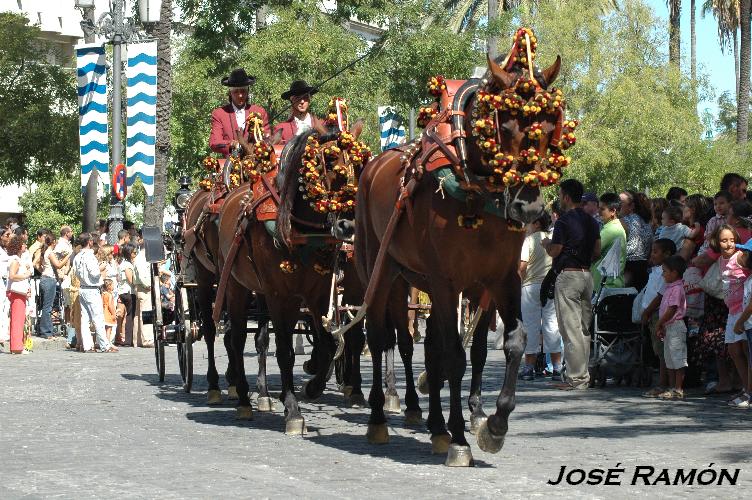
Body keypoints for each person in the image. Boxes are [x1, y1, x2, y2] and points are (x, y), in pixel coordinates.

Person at [543, 179, 601, 390]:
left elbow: (556, 250)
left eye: (560, 195)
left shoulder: (563, 222)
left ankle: (576, 379)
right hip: (587, 276)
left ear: (566, 197)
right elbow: (597, 251)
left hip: (568, 276)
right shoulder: (592, 222)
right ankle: (582, 375)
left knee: (571, 329)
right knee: (583, 329)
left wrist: (546, 244)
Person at [519, 211, 562, 381]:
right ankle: (557, 367)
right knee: (552, 325)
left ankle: (529, 367)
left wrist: (520, 280)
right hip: (551, 285)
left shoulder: (529, 240)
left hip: (531, 286)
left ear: (536, 223)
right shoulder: (552, 238)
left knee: (531, 326)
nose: (527, 226)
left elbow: (522, 266)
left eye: (529, 223)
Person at [640, 239, 677, 397]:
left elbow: (660, 295)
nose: (652, 255)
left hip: (658, 314)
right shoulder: (656, 270)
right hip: (652, 314)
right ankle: (665, 383)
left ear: (667, 254)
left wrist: (647, 311)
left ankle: (664, 384)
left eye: (656, 251)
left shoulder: (666, 273)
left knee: (662, 351)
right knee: (658, 350)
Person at [719, 226, 751, 407]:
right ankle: (746, 388)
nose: (729, 244)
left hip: (743, 310)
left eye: (732, 239)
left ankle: (749, 391)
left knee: (746, 350)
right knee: (733, 351)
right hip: (732, 311)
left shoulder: (741, 257)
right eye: (724, 240)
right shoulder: (722, 260)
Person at [209, 68, 270, 158]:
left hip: (256, 162)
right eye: (236, 92)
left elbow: (267, 138)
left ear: (248, 91)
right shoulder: (219, 114)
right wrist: (232, 144)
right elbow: (214, 143)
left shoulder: (260, 112)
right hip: (231, 165)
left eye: (243, 91)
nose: (240, 95)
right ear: (230, 92)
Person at [72, 233, 116, 353]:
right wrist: (100, 268)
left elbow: (75, 272)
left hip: (82, 288)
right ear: (90, 242)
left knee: (85, 319)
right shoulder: (90, 256)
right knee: (98, 318)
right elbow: (94, 273)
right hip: (92, 288)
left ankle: (87, 345)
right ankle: (104, 345)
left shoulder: (77, 256)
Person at [654, 255, 688, 400]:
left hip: (675, 326)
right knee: (670, 358)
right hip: (668, 326)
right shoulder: (670, 287)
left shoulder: (677, 288)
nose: (663, 274)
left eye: (665, 271)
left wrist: (659, 322)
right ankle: (672, 387)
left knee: (678, 358)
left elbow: (672, 309)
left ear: (674, 273)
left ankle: (678, 388)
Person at [591, 192, 626, 293]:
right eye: (599, 208)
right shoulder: (613, 226)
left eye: (602, 209)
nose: (598, 211)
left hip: (607, 286)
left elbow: (593, 252)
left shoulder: (611, 229)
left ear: (613, 211)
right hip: (607, 285)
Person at [619, 190, 653, 290]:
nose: (616, 205)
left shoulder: (624, 221)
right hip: (643, 269)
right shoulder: (645, 222)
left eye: (620, 203)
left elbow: (632, 247)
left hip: (628, 269)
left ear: (632, 206)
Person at [5, 235, 31, 354]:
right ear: (19, 246)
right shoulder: (15, 260)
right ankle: (16, 346)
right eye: (23, 244)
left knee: (19, 319)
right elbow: (12, 276)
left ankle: (17, 345)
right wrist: (25, 275)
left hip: (19, 292)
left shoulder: (18, 260)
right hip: (16, 292)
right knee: (17, 319)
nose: (25, 245)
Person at [274, 80, 320, 144]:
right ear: (291, 101)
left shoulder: (322, 125)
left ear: (310, 99)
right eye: (298, 98)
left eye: (305, 97)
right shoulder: (282, 129)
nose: (302, 101)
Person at [118, 243, 137, 346]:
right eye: (134, 253)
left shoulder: (122, 263)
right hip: (128, 291)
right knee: (130, 315)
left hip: (122, 290)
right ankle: (128, 340)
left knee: (127, 315)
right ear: (129, 253)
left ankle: (126, 338)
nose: (135, 254)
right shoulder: (128, 265)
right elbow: (131, 280)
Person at [102, 279, 117, 344]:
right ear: (109, 286)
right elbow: (110, 305)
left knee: (103, 329)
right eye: (113, 285)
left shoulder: (103, 294)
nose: (114, 286)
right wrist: (114, 314)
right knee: (109, 329)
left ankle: (102, 342)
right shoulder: (109, 295)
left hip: (103, 313)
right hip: (108, 314)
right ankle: (108, 343)